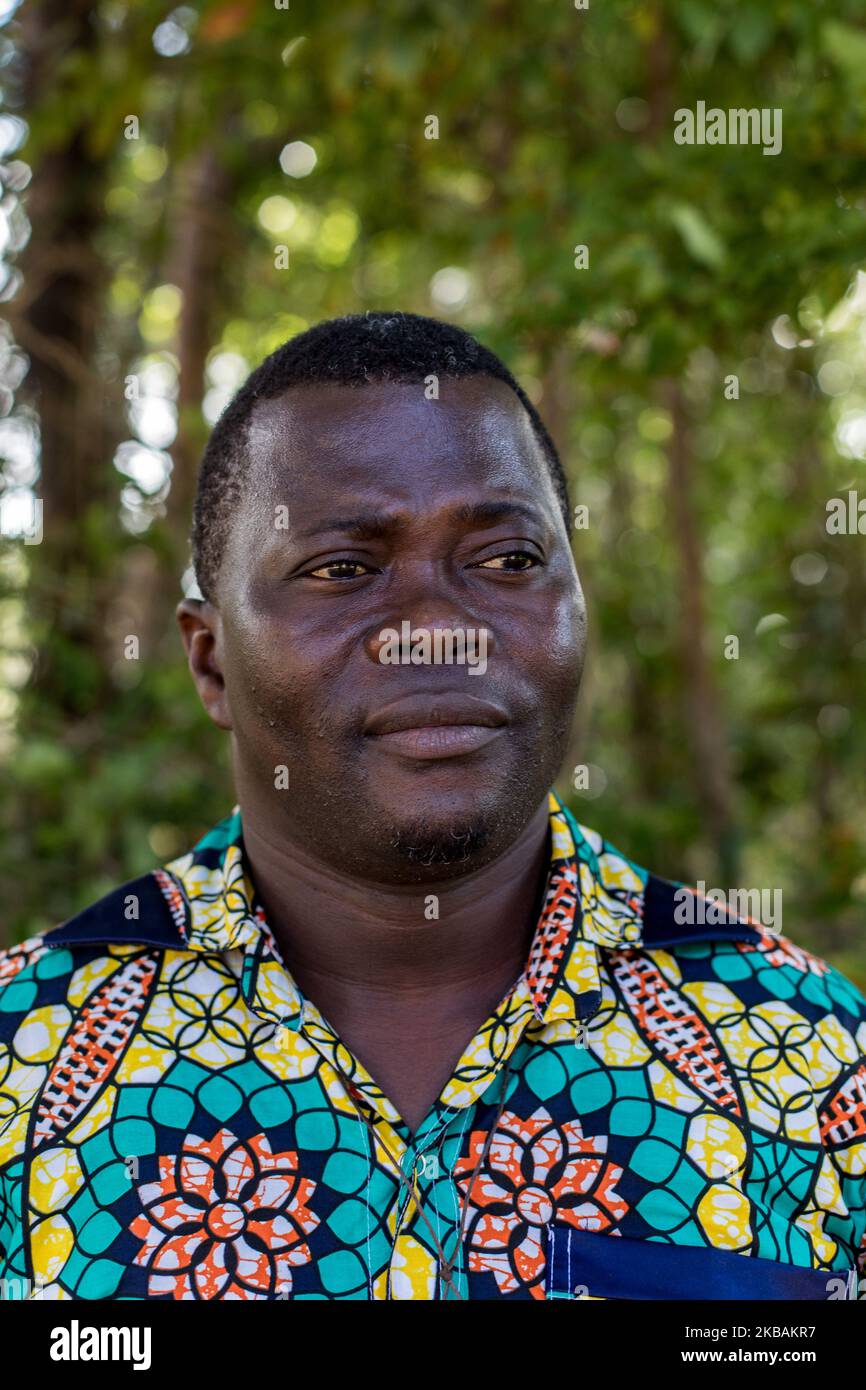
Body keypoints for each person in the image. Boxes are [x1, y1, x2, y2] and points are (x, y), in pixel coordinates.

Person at [1, 311, 864, 1302]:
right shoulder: (23, 1069)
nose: (438, 632)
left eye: (505, 561)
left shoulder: (816, 1067)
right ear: (210, 661)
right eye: (342, 571)